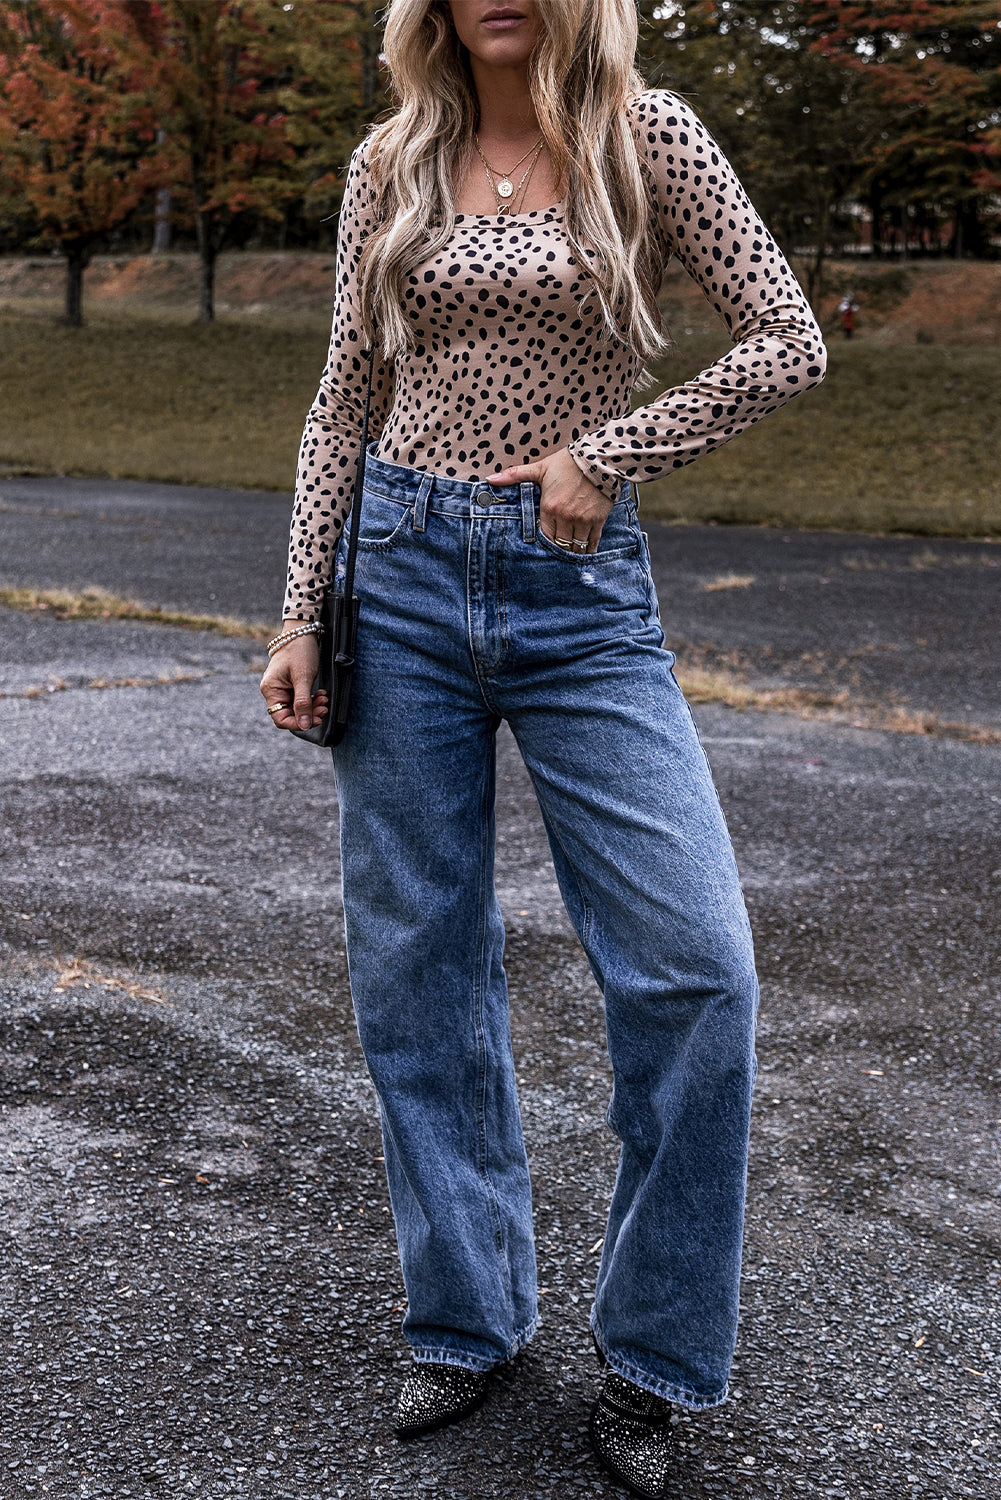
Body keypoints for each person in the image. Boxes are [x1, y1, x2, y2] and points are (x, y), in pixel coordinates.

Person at [260, 2, 826, 1493]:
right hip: (394, 568)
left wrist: (607, 452)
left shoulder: (647, 137)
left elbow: (790, 339)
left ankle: (651, 1357)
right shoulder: (392, 155)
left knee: (695, 966)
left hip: (578, 591)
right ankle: (463, 1317)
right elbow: (343, 396)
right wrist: (300, 605)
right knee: (417, 964)